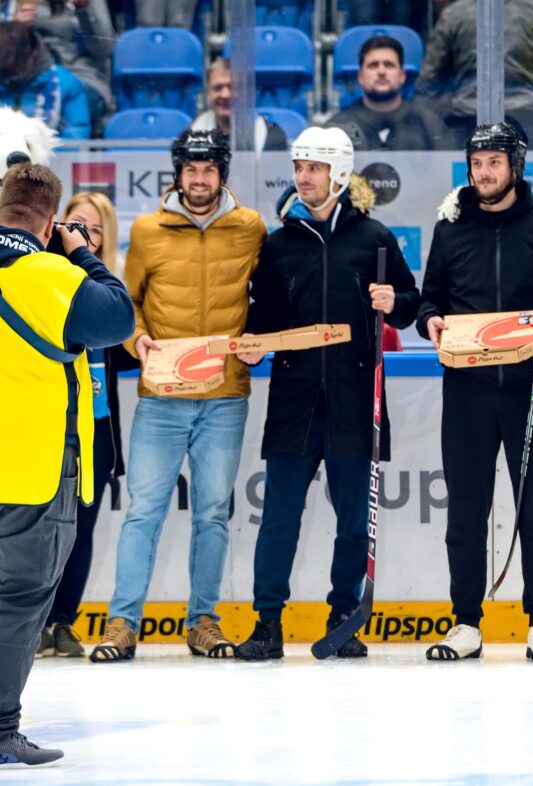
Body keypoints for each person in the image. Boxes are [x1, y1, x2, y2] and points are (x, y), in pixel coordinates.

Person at [0, 162, 133, 768]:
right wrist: (83, 256)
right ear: (49, 220)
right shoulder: (52, 276)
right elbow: (117, 318)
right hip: (28, 471)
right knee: (17, 600)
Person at [233, 126, 420, 661]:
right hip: (294, 401)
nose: (302, 177)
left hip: (355, 399)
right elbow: (262, 318)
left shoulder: (375, 238)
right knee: (279, 517)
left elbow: (410, 301)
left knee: (352, 519)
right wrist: (252, 344)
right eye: (298, 168)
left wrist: (395, 300)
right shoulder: (279, 243)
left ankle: (344, 615)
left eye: (313, 168)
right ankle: (267, 622)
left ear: (339, 173)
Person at [90, 130, 266, 663]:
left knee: (213, 512)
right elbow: (128, 303)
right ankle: (122, 623)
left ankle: (203, 621)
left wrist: (257, 335)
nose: (199, 178)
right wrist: (134, 338)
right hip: (162, 395)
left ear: (222, 173)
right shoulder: (147, 231)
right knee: (143, 511)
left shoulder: (250, 228)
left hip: (225, 394)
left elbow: (267, 296)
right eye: (191, 169)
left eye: (209, 169)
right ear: (177, 172)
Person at [416, 119, 533, 662]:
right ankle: (465, 622)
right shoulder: (450, 227)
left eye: (494, 163)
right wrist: (430, 321)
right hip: (465, 389)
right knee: (465, 510)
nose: (484, 173)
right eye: (477, 163)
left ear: (516, 166)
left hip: (528, 387)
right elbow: (428, 299)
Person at [36, 191, 132, 658]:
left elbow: (129, 346)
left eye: (94, 229)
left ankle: (63, 621)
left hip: (95, 432)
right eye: (75, 224)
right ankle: (32, 621)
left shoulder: (110, 291)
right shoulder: (41, 281)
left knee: (80, 530)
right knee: (38, 529)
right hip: (46, 428)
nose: (83, 236)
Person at [416, 0, 533, 148]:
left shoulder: (454, 14)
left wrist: (441, 117)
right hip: (529, 117)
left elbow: (428, 83)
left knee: (473, 184)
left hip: (468, 118)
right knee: (526, 185)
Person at [0, 0, 117, 127]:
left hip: (77, 76)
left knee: (66, 104)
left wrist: (84, 10)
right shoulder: (6, 3)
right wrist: (13, 30)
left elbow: (104, 49)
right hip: (16, 80)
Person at [0, 21, 91, 139]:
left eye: (16, 68)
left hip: (48, 160)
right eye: (2, 70)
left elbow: (76, 138)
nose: (9, 77)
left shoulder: (66, 83)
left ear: (34, 52)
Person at [327, 34, 452, 151]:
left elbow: (450, 170)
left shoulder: (429, 124)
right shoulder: (338, 129)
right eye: (373, 65)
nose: (381, 71)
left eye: (389, 65)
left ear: (402, 75)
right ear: (360, 77)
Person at [191, 58, 289, 152]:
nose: (225, 95)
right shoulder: (193, 133)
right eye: (218, 88)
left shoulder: (272, 137)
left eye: (233, 87)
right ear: (208, 92)